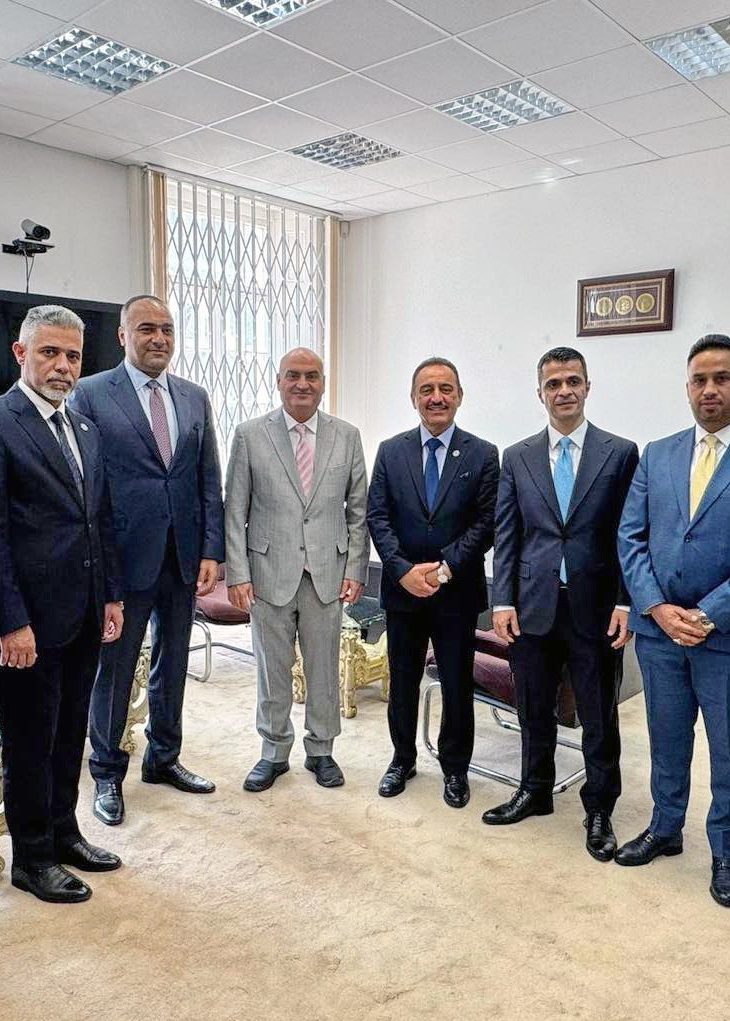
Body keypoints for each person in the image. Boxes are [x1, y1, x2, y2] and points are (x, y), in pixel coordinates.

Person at [615, 334, 730, 907]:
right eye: (700, 380)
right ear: (688, 388)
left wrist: (708, 615)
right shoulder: (658, 454)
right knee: (666, 739)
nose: (710, 389)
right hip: (660, 632)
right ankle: (665, 827)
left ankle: (726, 851)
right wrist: (656, 606)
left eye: (722, 378)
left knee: (729, 751)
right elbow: (630, 537)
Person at [0, 305, 126, 904]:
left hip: (84, 611)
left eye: (73, 356)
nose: (63, 366)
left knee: (70, 732)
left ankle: (64, 833)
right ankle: (31, 856)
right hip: (25, 622)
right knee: (29, 741)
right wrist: (9, 621)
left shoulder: (84, 428)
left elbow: (99, 519)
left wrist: (111, 595)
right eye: (49, 352)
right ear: (21, 353)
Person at [71, 295, 224, 826]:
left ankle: (164, 758)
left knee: (173, 661)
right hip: (122, 559)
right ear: (123, 336)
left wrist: (212, 549)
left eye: (166, 329)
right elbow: (86, 485)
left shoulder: (194, 397)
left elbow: (208, 477)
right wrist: (99, 563)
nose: (158, 338)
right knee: (114, 670)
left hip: (182, 556)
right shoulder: (90, 393)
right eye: (146, 329)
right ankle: (106, 772)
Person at [485, 346, 638, 862]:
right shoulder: (518, 456)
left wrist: (625, 602)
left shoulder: (620, 453)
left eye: (573, 381)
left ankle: (599, 808)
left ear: (588, 387)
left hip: (595, 608)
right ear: (541, 394)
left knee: (598, 713)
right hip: (533, 606)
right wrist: (502, 600)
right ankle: (534, 790)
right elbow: (508, 534)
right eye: (554, 384)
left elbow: (629, 534)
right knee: (533, 707)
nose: (564, 391)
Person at [225, 348, 369, 791]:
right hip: (267, 571)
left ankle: (321, 750)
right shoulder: (250, 435)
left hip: (328, 572)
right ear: (279, 381)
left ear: (323, 383)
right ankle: (273, 751)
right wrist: (238, 573)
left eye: (312, 376)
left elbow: (358, 510)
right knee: (273, 669)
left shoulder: (347, 436)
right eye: (293, 375)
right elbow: (235, 510)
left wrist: (356, 568)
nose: (302, 384)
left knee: (324, 668)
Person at [366, 357, 498, 807]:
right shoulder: (391, 451)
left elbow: (485, 523)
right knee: (401, 680)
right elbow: (377, 516)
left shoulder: (483, 454)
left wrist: (443, 569)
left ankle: (455, 768)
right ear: (414, 398)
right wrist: (403, 570)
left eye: (445, 389)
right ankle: (402, 759)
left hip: (455, 592)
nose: (436, 397)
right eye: (427, 390)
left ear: (459, 396)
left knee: (457, 684)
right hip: (402, 590)